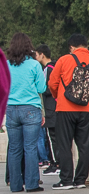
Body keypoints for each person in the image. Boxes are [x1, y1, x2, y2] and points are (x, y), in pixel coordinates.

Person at [46, 34, 89, 190]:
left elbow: (52, 83)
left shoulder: (64, 60)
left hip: (64, 109)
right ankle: (80, 180)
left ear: (71, 47)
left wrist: (59, 96)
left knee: (64, 144)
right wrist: (87, 98)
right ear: (86, 46)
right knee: (84, 145)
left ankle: (66, 180)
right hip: (86, 111)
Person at [6, 33, 47, 193]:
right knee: (30, 147)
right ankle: (31, 184)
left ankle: (15, 185)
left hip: (11, 109)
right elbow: (41, 88)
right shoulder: (34, 65)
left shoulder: (6, 65)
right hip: (30, 108)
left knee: (14, 148)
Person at [34, 44, 57, 174]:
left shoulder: (47, 69)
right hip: (56, 106)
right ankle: (56, 162)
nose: (35, 57)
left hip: (50, 107)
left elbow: (45, 88)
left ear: (42, 54)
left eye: (36, 54)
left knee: (52, 137)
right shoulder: (55, 66)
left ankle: (55, 163)